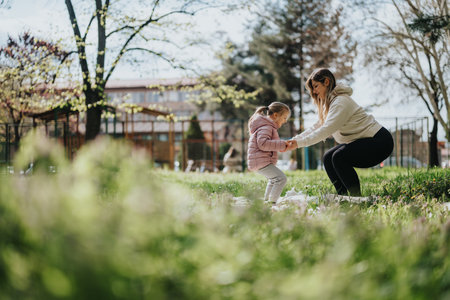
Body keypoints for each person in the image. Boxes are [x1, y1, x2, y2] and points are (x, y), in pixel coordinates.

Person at [285, 68, 393, 196]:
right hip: (363, 140)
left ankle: (356, 198)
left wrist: (299, 144)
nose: (314, 91)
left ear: (326, 82)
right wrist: (295, 140)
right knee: (328, 158)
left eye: (316, 86)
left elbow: (325, 130)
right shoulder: (331, 103)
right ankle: (343, 197)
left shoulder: (340, 102)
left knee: (339, 157)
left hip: (380, 142)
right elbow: (318, 126)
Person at [247, 102, 291, 204]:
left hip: (260, 161)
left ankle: (267, 201)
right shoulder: (266, 127)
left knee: (273, 179)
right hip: (260, 161)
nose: (285, 121)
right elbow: (262, 144)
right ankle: (272, 203)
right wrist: (281, 144)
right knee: (281, 178)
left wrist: (281, 145)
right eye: (284, 118)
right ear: (275, 115)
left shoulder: (266, 126)